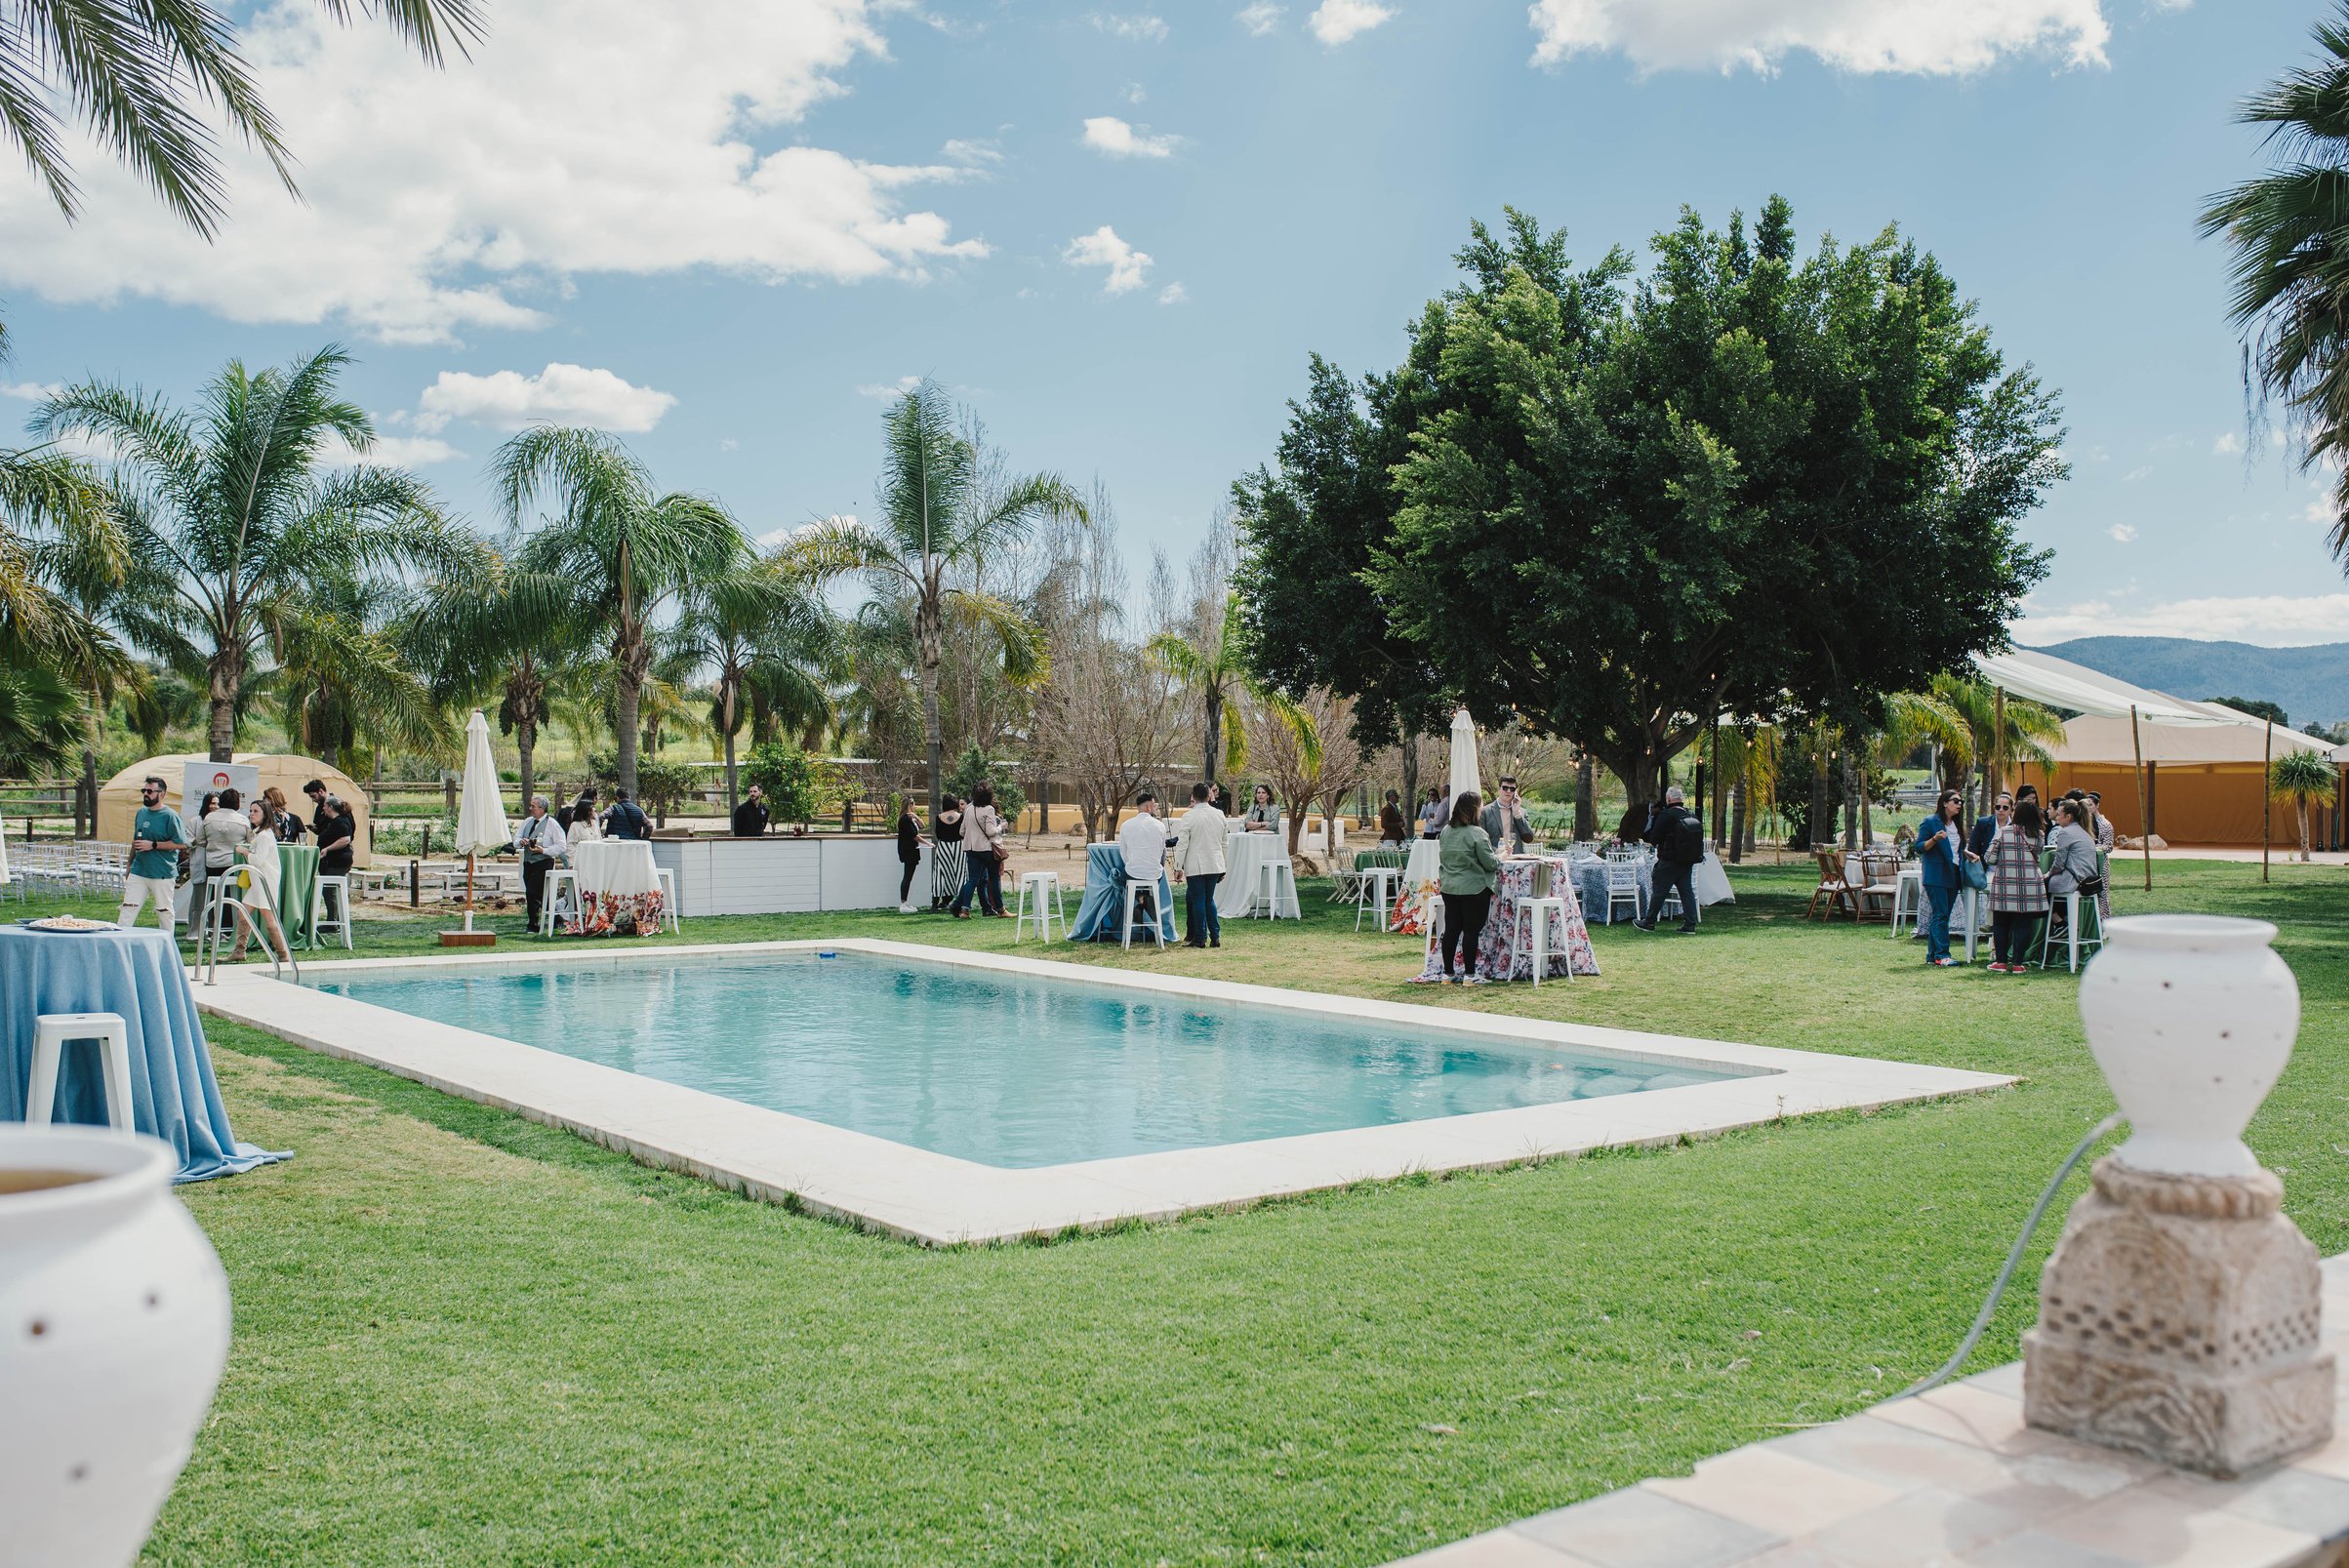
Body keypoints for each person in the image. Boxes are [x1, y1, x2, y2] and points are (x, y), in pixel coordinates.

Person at [1435, 789, 1500, 984]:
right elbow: (1490, 863)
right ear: (1474, 809)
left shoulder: (1446, 831)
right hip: (1474, 888)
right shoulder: (1477, 833)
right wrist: (1501, 856)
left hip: (1450, 887)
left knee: (1451, 930)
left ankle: (1448, 973)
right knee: (1471, 931)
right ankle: (1470, 975)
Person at [1985, 798, 2049, 973]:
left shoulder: (2003, 832)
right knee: (2023, 924)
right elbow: (2038, 855)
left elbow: (1989, 858)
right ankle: (2018, 963)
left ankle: (2001, 961)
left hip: (2005, 883)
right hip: (2030, 884)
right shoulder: (2039, 835)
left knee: (2001, 923)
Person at [119, 775, 188, 936]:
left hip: (162, 872)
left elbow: (181, 844)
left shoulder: (170, 816)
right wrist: (129, 864)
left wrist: (154, 845)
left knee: (164, 912)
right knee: (127, 909)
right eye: (144, 790)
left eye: (150, 791)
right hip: (139, 871)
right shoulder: (141, 813)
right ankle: (119, 941)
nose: (146, 794)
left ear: (162, 794)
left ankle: (167, 943)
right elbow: (136, 841)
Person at [229, 799, 294, 964]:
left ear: (265, 814)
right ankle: (239, 951)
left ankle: (283, 954)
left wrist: (244, 851)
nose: (251, 814)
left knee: (269, 918)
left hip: (265, 881)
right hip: (258, 880)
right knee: (243, 913)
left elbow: (258, 860)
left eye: (256, 811)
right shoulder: (259, 833)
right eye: (251, 811)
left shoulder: (264, 835)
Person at [1635, 785, 1705, 935]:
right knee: (1686, 892)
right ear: (1681, 799)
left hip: (1669, 860)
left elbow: (1655, 838)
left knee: (1659, 891)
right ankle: (1690, 924)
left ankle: (1649, 921)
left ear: (1668, 799)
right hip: (1687, 860)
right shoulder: (1691, 814)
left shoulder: (1666, 815)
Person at [1169, 782, 1231, 948]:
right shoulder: (1219, 814)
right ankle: (1215, 937)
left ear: (1193, 797)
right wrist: (1223, 865)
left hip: (1195, 865)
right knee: (1209, 900)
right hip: (1215, 863)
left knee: (1198, 901)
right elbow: (1224, 843)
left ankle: (1199, 938)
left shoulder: (1189, 816)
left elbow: (1182, 844)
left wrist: (1178, 866)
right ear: (1209, 796)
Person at [1913, 788, 1967, 967]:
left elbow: (1956, 850)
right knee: (1941, 914)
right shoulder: (1931, 822)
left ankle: (1932, 956)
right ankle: (1942, 955)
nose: (1959, 804)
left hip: (1954, 873)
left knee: (1942, 915)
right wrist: (1934, 839)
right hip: (1936, 875)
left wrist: (1967, 854)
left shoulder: (1956, 825)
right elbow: (1919, 847)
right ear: (1944, 803)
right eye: (1955, 801)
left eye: (1961, 802)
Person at [192, 786, 251, 943]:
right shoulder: (243, 820)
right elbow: (250, 842)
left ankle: (215, 930)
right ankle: (232, 929)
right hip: (234, 864)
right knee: (234, 897)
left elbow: (200, 841)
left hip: (213, 864)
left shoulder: (208, 818)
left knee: (214, 897)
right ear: (237, 803)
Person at [1114, 788, 1169, 939]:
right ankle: (1144, 900)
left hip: (1133, 873)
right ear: (1149, 807)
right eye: (1155, 806)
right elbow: (1161, 852)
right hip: (1155, 874)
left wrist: (1132, 864)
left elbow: (1124, 854)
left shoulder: (1126, 825)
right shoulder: (1160, 826)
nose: (1155, 809)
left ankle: (1140, 900)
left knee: (1120, 876)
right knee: (1152, 877)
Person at [511, 793, 568, 933]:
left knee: (532, 893)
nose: (530, 808)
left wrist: (544, 850)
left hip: (543, 862)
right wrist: (520, 842)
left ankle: (533, 924)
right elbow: (516, 838)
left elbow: (561, 845)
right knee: (541, 894)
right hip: (528, 862)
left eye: (533, 806)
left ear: (542, 809)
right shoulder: (527, 821)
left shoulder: (552, 824)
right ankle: (557, 919)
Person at [2045, 799, 2102, 939]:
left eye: (2059, 815)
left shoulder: (2066, 832)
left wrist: (2048, 874)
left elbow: (2059, 863)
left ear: (2068, 816)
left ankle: (2059, 923)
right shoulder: (2084, 832)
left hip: (2075, 881)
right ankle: (2066, 920)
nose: (2057, 818)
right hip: (2088, 881)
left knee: (2041, 885)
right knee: (2053, 887)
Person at [951, 784, 1008, 919]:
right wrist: (1000, 827)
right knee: (994, 878)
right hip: (986, 849)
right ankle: (1001, 909)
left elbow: (962, 831)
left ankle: (964, 909)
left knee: (973, 879)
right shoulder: (989, 809)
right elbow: (991, 831)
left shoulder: (969, 808)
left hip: (971, 848)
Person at [1480, 776, 1536, 853]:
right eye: (1505, 788)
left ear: (1515, 792)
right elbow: (1481, 840)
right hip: (1495, 858)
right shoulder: (1485, 811)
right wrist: (1496, 851)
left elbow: (1529, 839)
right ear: (1499, 789)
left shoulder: (1522, 812)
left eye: (1512, 789)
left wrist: (1517, 815)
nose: (1509, 791)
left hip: (1516, 858)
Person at [314, 792, 357, 879]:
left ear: (330, 807)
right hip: (333, 861)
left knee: (330, 886)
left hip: (337, 862)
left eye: (325, 806)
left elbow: (345, 839)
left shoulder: (339, 821)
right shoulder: (334, 821)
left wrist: (327, 849)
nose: (323, 808)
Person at [895, 800, 923, 913]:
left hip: (912, 850)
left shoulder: (911, 818)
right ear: (909, 805)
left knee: (909, 876)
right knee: (907, 876)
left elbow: (922, 826)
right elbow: (914, 835)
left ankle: (905, 902)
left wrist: (916, 817)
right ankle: (903, 903)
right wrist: (927, 843)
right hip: (908, 850)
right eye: (913, 804)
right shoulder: (905, 819)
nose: (915, 806)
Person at [1969, 791, 2012, 863]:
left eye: (2005, 807)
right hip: (1985, 866)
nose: (2001, 810)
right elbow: (1972, 847)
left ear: (2011, 810)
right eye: (1998, 807)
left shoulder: (2016, 826)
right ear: (1994, 808)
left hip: (2008, 866)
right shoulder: (1982, 823)